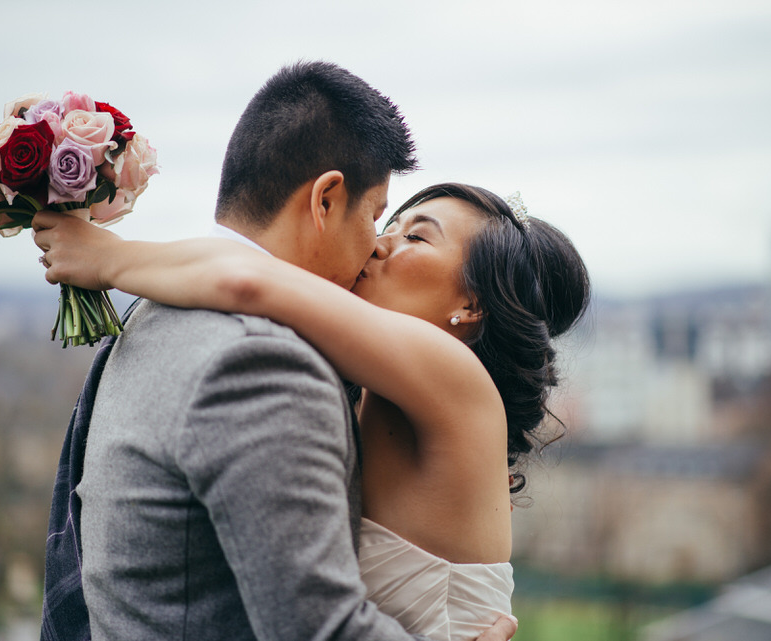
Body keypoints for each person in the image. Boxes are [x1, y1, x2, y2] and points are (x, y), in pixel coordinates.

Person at [36, 61, 519, 641]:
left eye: (414, 235)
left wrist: (110, 258)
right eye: (378, 216)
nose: (378, 243)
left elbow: (250, 281)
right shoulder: (265, 360)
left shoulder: (150, 317)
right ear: (325, 201)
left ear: (471, 306)